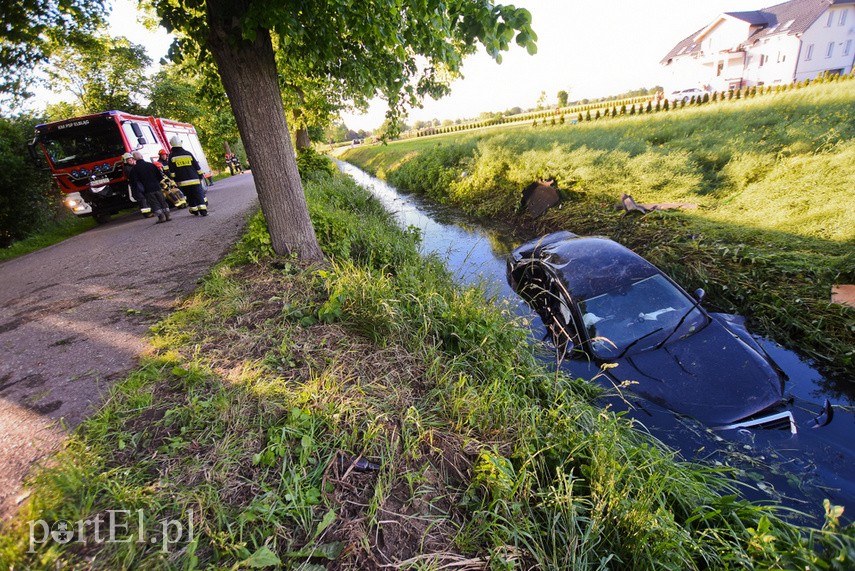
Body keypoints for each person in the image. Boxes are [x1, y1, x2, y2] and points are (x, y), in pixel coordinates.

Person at [126, 151, 171, 223]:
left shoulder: (134, 169)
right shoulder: (151, 165)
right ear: (142, 157)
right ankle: (168, 215)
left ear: (134, 159)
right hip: (157, 187)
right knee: (162, 201)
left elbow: (134, 182)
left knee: (154, 203)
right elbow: (160, 177)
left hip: (147, 190)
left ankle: (161, 217)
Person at [167, 136, 207, 216]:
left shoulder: (171, 157)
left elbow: (172, 172)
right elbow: (197, 166)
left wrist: (175, 180)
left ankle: (194, 210)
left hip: (183, 182)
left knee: (189, 196)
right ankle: (203, 211)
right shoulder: (188, 153)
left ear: (172, 144)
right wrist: (200, 176)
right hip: (194, 179)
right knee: (198, 194)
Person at [123, 152, 152, 218]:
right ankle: (147, 214)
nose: (131, 160)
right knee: (142, 199)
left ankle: (149, 211)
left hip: (139, 185)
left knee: (145, 198)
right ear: (126, 161)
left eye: (131, 159)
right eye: (129, 160)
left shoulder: (133, 166)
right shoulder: (128, 168)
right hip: (136, 186)